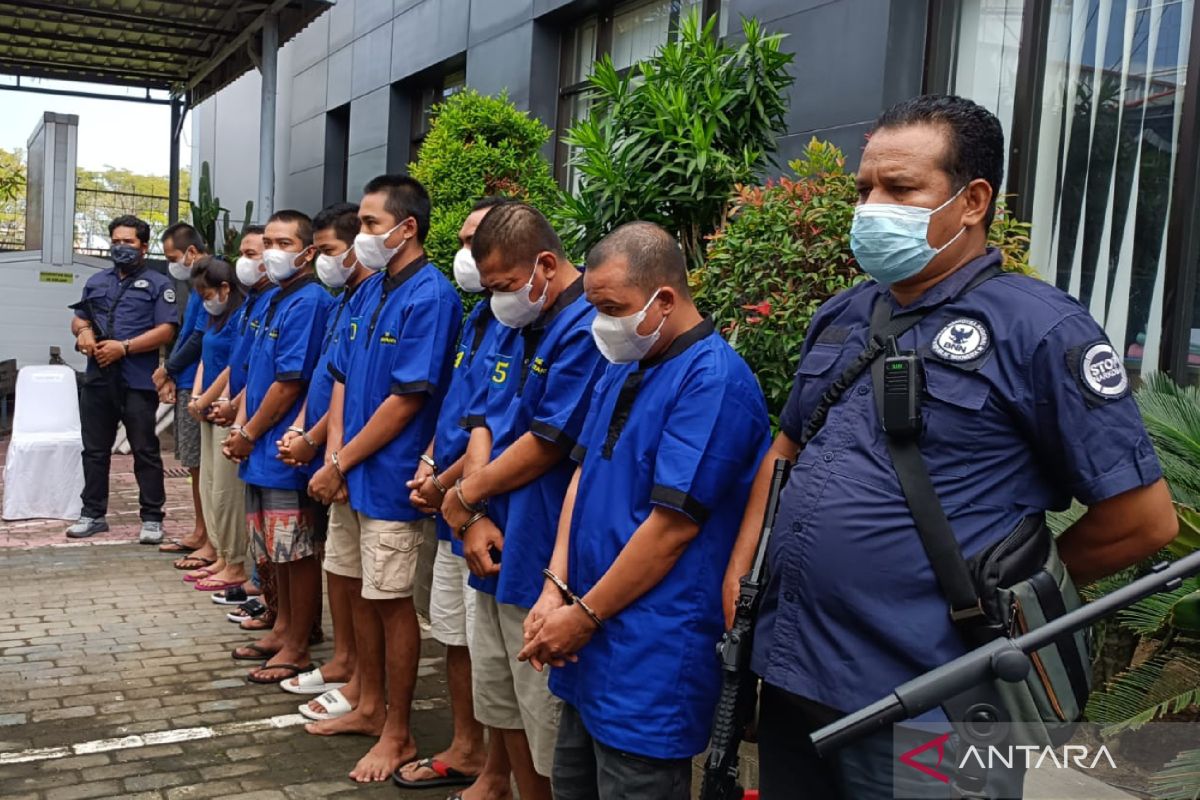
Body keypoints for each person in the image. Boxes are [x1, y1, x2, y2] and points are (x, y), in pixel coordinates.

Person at [724, 95, 1179, 799]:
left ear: (972, 201)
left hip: (940, 700)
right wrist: (743, 571)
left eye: (900, 189)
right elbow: (786, 448)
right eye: (865, 189)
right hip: (795, 671)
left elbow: (1145, 519)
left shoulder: (1041, 330)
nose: (872, 207)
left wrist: (1018, 598)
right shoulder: (844, 314)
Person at [517, 222, 770, 800]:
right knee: (573, 785)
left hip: (650, 649)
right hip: (585, 632)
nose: (601, 324)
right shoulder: (626, 360)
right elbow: (582, 470)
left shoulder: (714, 382)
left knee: (635, 784)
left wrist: (580, 616)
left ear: (664, 300)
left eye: (611, 307)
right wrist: (554, 586)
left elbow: (671, 530)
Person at [440, 202, 606, 800]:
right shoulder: (514, 320)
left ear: (544, 263)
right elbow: (484, 414)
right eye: (489, 289)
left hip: (540, 551)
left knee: (545, 719)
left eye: (506, 286)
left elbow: (548, 442)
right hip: (493, 542)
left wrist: (463, 496)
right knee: (501, 701)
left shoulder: (588, 324)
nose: (497, 300)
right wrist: (474, 510)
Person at [305, 175, 461, 786]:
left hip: (392, 480)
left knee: (392, 602)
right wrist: (335, 459)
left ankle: (398, 730)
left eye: (370, 225)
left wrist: (341, 462)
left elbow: (405, 401)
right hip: (351, 473)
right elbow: (343, 377)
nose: (361, 236)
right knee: (355, 587)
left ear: (407, 228)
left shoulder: (432, 296)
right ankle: (369, 705)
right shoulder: (370, 293)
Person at [398, 196, 513, 795]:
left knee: (491, 647)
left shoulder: (519, 320)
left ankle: (496, 769)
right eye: (463, 239)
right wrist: (429, 466)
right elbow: (458, 406)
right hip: (449, 506)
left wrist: (450, 486)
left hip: (478, 510)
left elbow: (499, 427)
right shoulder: (478, 315)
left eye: (477, 241)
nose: (464, 253)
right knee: (456, 636)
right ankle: (466, 745)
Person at [224, 209, 333, 684]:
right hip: (260, 450)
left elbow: (291, 383)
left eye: (283, 243)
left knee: (297, 552)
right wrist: (241, 425)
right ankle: (283, 625)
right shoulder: (274, 299)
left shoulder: (309, 301)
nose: (271, 252)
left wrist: (249, 434)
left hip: (286, 451)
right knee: (273, 552)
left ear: (307, 252)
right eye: (267, 241)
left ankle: (298, 643)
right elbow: (258, 373)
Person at [276, 202, 374, 711]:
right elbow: (332, 379)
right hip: (330, 453)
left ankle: (362, 677)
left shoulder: (387, 298)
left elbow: (391, 396)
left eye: (329, 250)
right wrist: (311, 438)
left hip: (364, 465)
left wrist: (325, 449)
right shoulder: (345, 299)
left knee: (370, 585)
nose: (321, 260)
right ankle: (342, 661)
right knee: (340, 566)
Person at [67, 215, 178, 543]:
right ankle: (92, 514)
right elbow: (79, 317)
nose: (121, 247)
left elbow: (166, 330)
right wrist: (84, 332)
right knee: (94, 450)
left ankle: (152, 518)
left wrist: (124, 348)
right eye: (116, 241)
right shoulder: (97, 281)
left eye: (128, 242)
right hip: (98, 379)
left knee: (145, 449)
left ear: (144, 246)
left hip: (137, 381)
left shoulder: (160, 285)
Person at [205, 225, 270, 609]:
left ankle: (264, 589)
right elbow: (245, 364)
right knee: (256, 517)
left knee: (280, 530)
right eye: (243, 254)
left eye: (256, 252)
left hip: (266, 428)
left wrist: (244, 420)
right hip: (244, 416)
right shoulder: (253, 303)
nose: (247, 261)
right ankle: (261, 585)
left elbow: (284, 378)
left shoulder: (298, 301)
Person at [185, 256, 250, 594]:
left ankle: (234, 560)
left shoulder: (240, 317)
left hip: (225, 410)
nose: (205, 300)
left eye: (207, 293)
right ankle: (222, 557)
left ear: (225, 288)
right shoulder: (216, 318)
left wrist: (209, 399)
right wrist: (197, 397)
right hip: (206, 410)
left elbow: (233, 368)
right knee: (210, 487)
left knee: (226, 493)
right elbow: (204, 359)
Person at [156, 223, 211, 566]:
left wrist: (169, 369)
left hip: (199, 382)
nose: (171, 265)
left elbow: (197, 337)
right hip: (190, 378)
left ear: (191, 252)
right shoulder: (195, 282)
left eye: (172, 257)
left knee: (201, 465)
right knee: (195, 465)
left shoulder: (210, 280)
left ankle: (207, 535)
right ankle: (200, 530)